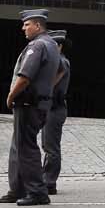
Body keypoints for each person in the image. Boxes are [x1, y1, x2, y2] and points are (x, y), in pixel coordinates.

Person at [0, 8, 60, 206]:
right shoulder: (50, 45)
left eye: (26, 24)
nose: (23, 28)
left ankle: (37, 192)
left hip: (28, 103)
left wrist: (10, 95)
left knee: (26, 148)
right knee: (20, 146)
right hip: (38, 103)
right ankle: (17, 189)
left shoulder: (38, 45)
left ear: (37, 25)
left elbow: (25, 76)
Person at [41, 29, 71, 195]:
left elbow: (48, 84)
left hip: (55, 108)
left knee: (51, 147)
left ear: (59, 46)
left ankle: (49, 181)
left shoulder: (60, 62)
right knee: (48, 145)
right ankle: (46, 178)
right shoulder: (58, 61)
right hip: (51, 107)